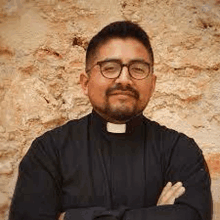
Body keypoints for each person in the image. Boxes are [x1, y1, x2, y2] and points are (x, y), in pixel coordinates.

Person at [9, 21, 212, 220]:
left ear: (152, 84)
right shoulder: (48, 152)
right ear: (85, 83)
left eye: (138, 69)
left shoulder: (181, 151)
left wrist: (71, 217)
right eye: (110, 67)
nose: (124, 79)